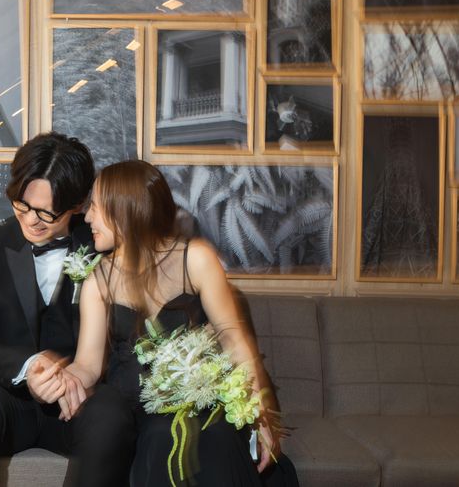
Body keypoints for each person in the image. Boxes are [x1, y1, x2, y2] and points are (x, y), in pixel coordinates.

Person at [54, 160, 298, 486]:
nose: (87, 218)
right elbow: (88, 364)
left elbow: (234, 339)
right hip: (138, 409)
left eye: (95, 207)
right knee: (160, 435)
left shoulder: (195, 258)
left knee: (212, 435)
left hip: (201, 402)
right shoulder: (98, 279)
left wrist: (259, 411)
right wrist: (66, 379)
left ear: (125, 211)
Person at [0, 133, 136, 487]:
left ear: (78, 205)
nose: (31, 220)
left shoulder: (102, 245)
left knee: (112, 412)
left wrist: (75, 379)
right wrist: (29, 367)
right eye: (22, 205)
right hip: (6, 402)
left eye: (47, 213)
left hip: (77, 402)